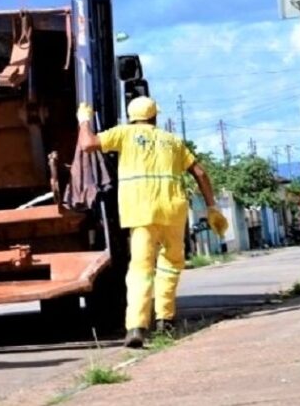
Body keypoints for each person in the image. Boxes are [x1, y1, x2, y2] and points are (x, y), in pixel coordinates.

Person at [77, 96, 228, 348]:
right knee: (170, 264)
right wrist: (211, 206)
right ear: (155, 117)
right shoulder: (172, 140)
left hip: (141, 212)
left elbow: (87, 144)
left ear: (131, 116)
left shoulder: (123, 134)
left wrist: (84, 121)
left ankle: (136, 327)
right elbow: (200, 172)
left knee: (141, 269)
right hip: (173, 211)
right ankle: (165, 321)